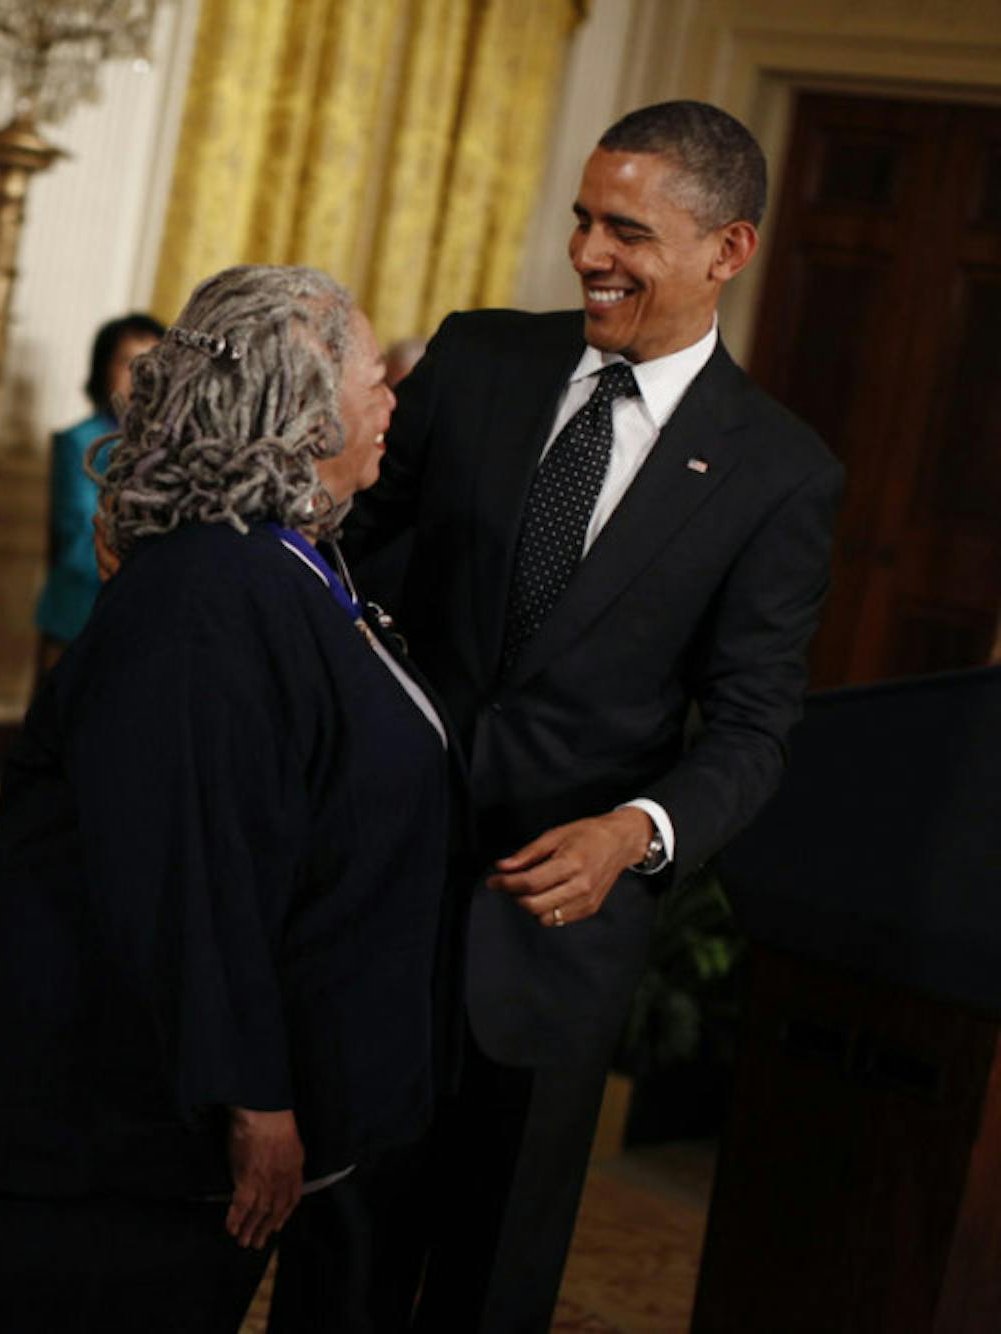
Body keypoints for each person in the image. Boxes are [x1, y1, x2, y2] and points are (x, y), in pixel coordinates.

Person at [269, 101, 844, 1332]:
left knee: (489, 1281)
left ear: (724, 252)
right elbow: (345, 558)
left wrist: (632, 832)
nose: (586, 252)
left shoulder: (778, 471)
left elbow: (751, 722)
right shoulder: (477, 359)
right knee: (339, 1253)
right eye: (582, 218)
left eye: (624, 230)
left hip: (555, 936)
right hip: (380, 887)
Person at [0, 265, 455, 1333]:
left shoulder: (281, 562)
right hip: (122, 1143)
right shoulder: (204, 593)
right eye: (373, 378)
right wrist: (253, 1096)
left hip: (172, 1132)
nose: (389, 400)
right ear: (298, 405)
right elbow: (186, 869)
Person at [32, 312, 164, 670]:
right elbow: (77, 540)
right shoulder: (79, 442)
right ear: (103, 368)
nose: (139, 375)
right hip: (83, 605)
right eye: (126, 362)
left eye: (151, 363)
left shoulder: (171, 447)